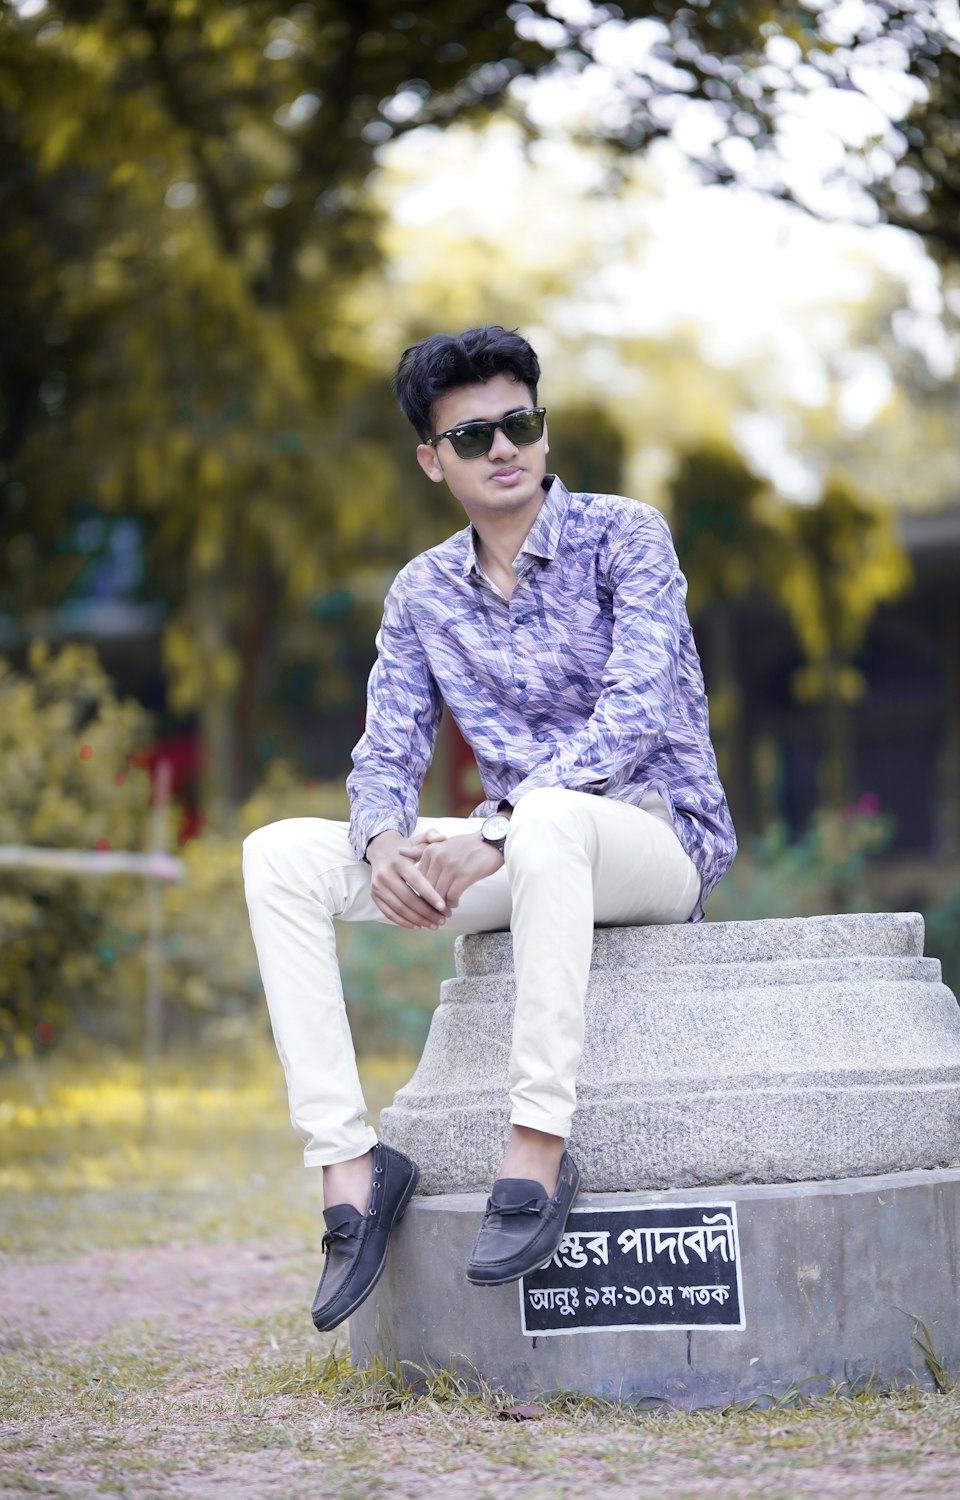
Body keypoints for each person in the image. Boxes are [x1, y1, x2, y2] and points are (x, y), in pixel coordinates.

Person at [242, 325, 736, 1332]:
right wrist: (383, 846)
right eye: (473, 437)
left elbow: (633, 714)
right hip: (526, 846)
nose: (502, 449)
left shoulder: (624, 535)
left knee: (549, 816)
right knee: (279, 857)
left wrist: (499, 829)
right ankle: (350, 1173)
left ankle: (537, 1151)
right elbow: (384, 753)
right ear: (433, 460)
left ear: (542, 431)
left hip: (652, 839)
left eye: (520, 424)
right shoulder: (423, 593)